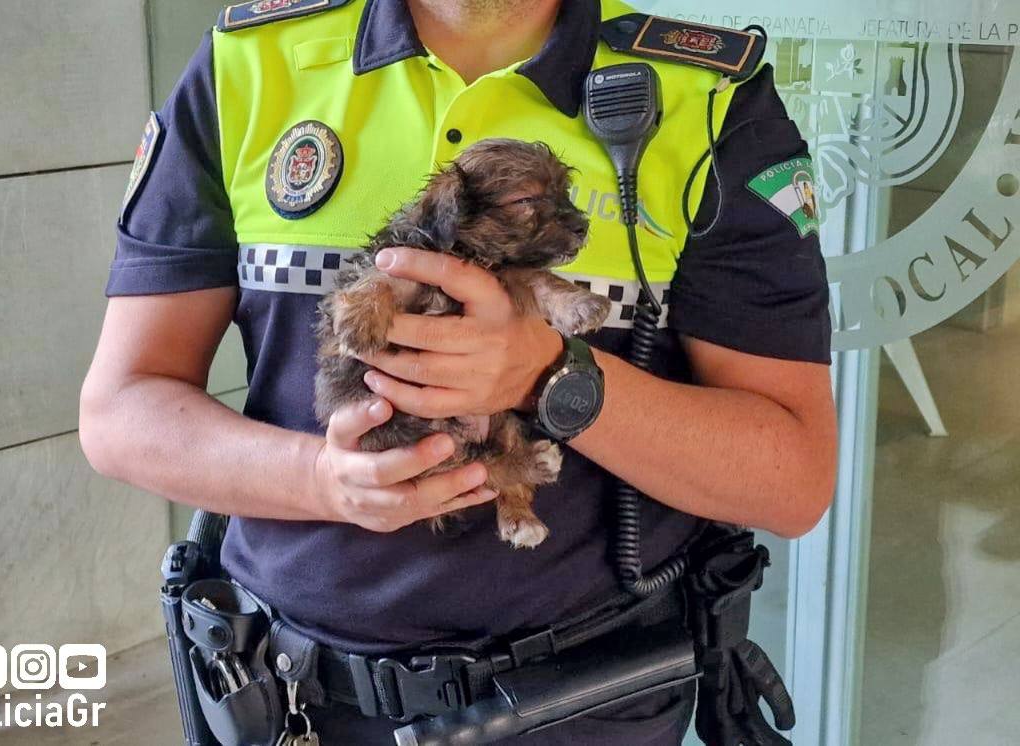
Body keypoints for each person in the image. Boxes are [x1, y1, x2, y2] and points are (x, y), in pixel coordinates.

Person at [80, 0, 837, 743]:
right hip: (286, 698)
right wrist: (319, 479)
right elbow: (121, 414)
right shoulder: (251, 62)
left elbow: (791, 481)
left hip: (582, 706)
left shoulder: (707, 100)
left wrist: (551, 377)